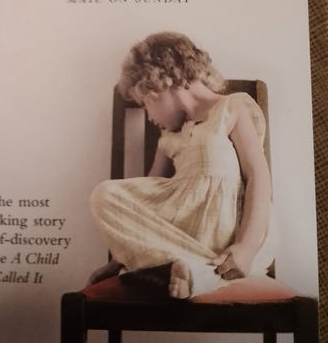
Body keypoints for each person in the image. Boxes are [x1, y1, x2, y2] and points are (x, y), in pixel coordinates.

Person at [89, 32, 276, 298]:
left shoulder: (230, 109)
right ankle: (196, 271)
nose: (149, 116)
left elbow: (258, 176)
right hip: (181, 233)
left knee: (233, 250)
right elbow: (147, 198)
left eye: (146, 103)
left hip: (226, 234)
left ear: (160, 84)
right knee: (103, 194)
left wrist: (247, 246)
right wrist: (120, 255)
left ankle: (192, 270)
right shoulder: (168, 138)